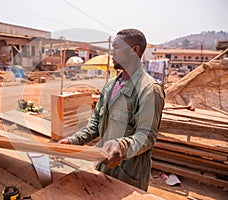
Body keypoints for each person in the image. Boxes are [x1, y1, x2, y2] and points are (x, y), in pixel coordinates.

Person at [58, 28, 165, 191]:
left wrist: (120, 146)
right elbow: (95, 124)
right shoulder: (110, 86)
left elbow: (146, 136)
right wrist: (73, 140)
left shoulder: (149, 90)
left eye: (116, 47)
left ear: (134, 51)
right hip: (103, 166)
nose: (112, 53)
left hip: (128, 175)